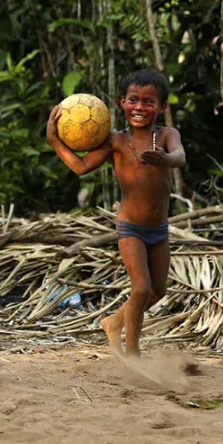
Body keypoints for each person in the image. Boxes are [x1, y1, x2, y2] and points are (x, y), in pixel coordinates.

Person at [46, 69, 185, 358]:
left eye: (149, 102)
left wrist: (164, 159)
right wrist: (55, 142)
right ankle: (133, 355)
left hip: (159, 230)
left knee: (158, 291)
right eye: (133, 100)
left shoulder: (168, 135)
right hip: (131, 227)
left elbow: (180, 156)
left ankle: (113, 322)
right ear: (122, 102)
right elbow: (81, 167)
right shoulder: (116, 141)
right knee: (142, 289)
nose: (140, 107)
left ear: (162, 107)